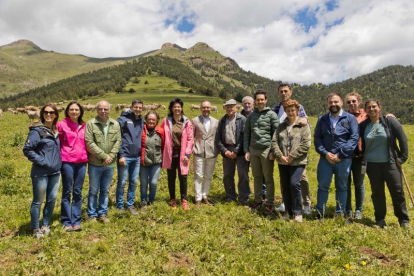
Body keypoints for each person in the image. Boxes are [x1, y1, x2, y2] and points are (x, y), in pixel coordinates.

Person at [360, 99, 410, 228]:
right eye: (369, 107)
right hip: (372, 165)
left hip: (391, 163)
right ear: (365, 110)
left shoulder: (390, 121)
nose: (372, 109)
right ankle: (380, 220)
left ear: (379, 107)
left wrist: (402, 158)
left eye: (374, 106)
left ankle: (404, 220)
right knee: (377, 192)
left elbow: (402, 139)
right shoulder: (363, 125)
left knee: (397, 191)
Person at [314, 93, 359, 218]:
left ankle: (340, 213)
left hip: (343, 159)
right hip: (325, 159)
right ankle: (320, 212)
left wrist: (340, 154)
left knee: (342, 187)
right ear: (328, 104)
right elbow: (317, 138)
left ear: (341, 103)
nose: (333, 104)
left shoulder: (350, 119)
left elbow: (354, 138)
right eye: (330, 102)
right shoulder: (322, 119)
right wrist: (325, 153)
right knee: (323, 186)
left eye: (336, 102)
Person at [23, 103, 62, 238]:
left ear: (56, 114)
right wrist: (43, 162)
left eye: (51, 112)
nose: (48, 114)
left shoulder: (56, 131)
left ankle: (45, 225)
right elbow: (27, 149)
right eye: (46, 112)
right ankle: (35, 228)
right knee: (38, 201)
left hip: (55, 172)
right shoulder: (36, 131)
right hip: (41, 172)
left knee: (51, 199)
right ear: (42, 114)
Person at [272, 83, 312, 214]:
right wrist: (276, 152)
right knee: (285, 181)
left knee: (300, 180)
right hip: (282, 149)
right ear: (278, 94)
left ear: (290, 92)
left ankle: (306, 204)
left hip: (296, 151)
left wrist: (305, 120)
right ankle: (286, 203)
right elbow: (274, 130)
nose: (283, 93)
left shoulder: (298, 107)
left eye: (286, 91)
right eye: (281, 91)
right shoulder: (277, 108)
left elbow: (306, 123)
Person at [85, 100, 121, 223]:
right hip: (95, 163)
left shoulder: (115, 124)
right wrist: (104, 156)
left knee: (105, 190)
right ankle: (91, 214)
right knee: (94, 190)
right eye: (101, 109)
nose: (103, 111)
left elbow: (118, 141)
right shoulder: (91, 124)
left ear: (109, 110)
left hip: (110, 164)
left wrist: (110, 156)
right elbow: (89, 142)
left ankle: (102, 213)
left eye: (106, 109)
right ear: (97, 110)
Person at [244, 89, 279, 215]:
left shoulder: (272, 115)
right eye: (258, 100)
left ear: (266, 100)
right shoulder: (251, 116)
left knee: (268, 178)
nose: (260, 102)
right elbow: (247, 133)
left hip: (266, 150)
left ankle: (269, 203)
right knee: (257, 177)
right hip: (253, 150)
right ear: (255, 101)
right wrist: (246, 150)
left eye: (262, 99)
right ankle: (258, 200)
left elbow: (276, 134)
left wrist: (274, 151)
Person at [57, 101, 88, 232]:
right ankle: (66, 220)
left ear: (80, 111)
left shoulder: (84, 125)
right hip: (67, 160)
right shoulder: (61, 125)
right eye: (71, 110)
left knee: (78, 191)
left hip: (82, 161)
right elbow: (56, 142)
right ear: (67, 111)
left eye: (76, 110)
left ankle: (76, 220)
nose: (74, 112)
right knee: (67, 190)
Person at [161, 98, 194, 210]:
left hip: (182, 152)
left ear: (181, 108)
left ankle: (184, 200)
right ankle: (172, 200)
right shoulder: (166, 121)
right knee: (171, 177)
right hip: (170, 152)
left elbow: (190, 139)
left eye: (179, 106)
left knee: (183, 176)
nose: (177, 108)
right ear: (171, 108)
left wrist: (187, 154)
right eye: (174, 107)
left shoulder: (186, 122)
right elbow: (161, 136)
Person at [216, 99, 250, 205]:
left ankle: (243, 198)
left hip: (240, 151)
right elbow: (218, 139)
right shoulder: (222, 121)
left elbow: (244, 137)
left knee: (243, 174)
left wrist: (236, 151)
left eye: (232, 106)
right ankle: (231, 196)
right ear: (225, 108)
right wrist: (225, 151)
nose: (230, 108)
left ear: (236, 108)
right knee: (227, 175)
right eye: (228, 106)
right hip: (227, 150)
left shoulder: (243, 119)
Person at [116, 99, 144, 215]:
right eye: (136, 107)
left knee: (133, 181)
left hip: (136, 156)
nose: (138, 109)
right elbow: (117, 137)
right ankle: (120, 205)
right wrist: (121, 154)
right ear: (131, 107)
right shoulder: (123, 120)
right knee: (122, 182)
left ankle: (130, 205)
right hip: (125, 156)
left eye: (140, 107)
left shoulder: (141, 120)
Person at [192, 100, 219, 206]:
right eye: (204, 107)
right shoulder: (195, 120)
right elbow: (191, 136)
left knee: (208, 176)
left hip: (212, 152)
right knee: (198, 176)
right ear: (200, 108)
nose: (206, 109)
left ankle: (205, 196)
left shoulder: (216, 122)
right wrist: (192, 148)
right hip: (199, 151)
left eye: (208, 107)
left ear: (211, 108)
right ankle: (197, 198)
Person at [344, 92, 366, 219]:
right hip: (346, 156)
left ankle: (358, 210)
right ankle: (348, 209)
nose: (351, 104)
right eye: (348, 102)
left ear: (359, 102)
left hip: (360, 156)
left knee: (359, 183)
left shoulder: (365, 115)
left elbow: (378, 118)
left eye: (353, 101)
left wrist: (390, 116)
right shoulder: (344, 116)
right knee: (345, 184)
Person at [241, 96, 267, 200]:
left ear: (253, 104)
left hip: (257, 147)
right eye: (245, 103)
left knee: (262, 172)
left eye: (249, 103)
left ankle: (263, 192)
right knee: (244, 172)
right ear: (242, 105)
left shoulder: (257, 114)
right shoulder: (239, 115)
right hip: (244, 148)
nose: (247, 105)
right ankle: (246, 193)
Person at [139, 111, 164, 209]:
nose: (151, 121)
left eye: (153, 119)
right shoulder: (141, 130)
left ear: (157, 120)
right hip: (144, 162)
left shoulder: (160, 131)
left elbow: (164, 145)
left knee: (153, 183)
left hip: (156, 161)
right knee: (144, 183)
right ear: (146, 119)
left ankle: (152, 200)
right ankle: (143, 201)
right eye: (149, 119)